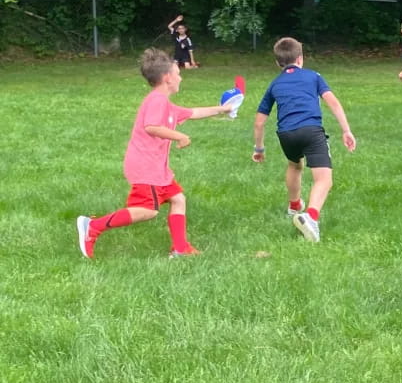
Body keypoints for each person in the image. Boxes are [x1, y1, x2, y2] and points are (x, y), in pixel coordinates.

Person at [76, 48, 232, 259]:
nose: (181, 78)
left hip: (158, 169)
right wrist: (179, 136)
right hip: (145, 167)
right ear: (167, 78)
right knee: (148, 210)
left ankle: (180, 248)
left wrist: (223, 109)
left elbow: (194, 112)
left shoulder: (165, 104)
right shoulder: (156, 101)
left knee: (178, 199)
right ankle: (93, 226)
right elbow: (151, 126)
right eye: (178, 74)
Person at [251, 37, 356, 241]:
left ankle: (294, 206)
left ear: (277, 63)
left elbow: (259, 122)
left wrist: (259, 149)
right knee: (324, 179)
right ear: (301, 58)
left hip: (286, 134)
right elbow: (333, 103)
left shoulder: (274, 84)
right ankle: (311, 217)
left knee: (294, 165)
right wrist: (346, 130)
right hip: (311, 131)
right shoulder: (313, 76)